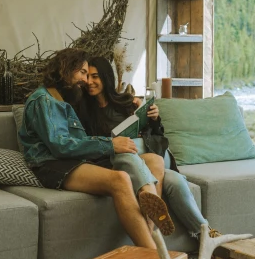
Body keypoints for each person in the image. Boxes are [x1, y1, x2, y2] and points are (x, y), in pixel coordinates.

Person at [18, 48, 175, 250]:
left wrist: (114, 143)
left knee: (151, 160)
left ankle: (149, 223)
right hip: (53, 165)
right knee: (120, 179)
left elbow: (80, 140)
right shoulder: (43, 100)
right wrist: (109, 144)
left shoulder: (62, 100)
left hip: (75, 159)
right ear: (66, 67)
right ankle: (153, 255)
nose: (85, 80)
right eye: (82, 72)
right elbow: (60, 146)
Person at [79, 56, 220, 240]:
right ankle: (152, 233)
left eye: (95, 76)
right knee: (155, 160)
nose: (89, 82)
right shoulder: (83, 109)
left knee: (176, 182)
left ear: (106, 77)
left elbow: (153, 134)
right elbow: (87, 143)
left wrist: (153, 118)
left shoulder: (126, 102)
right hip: (118, 161)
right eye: (87, 76)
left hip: (143, 157)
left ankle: (206, 234)